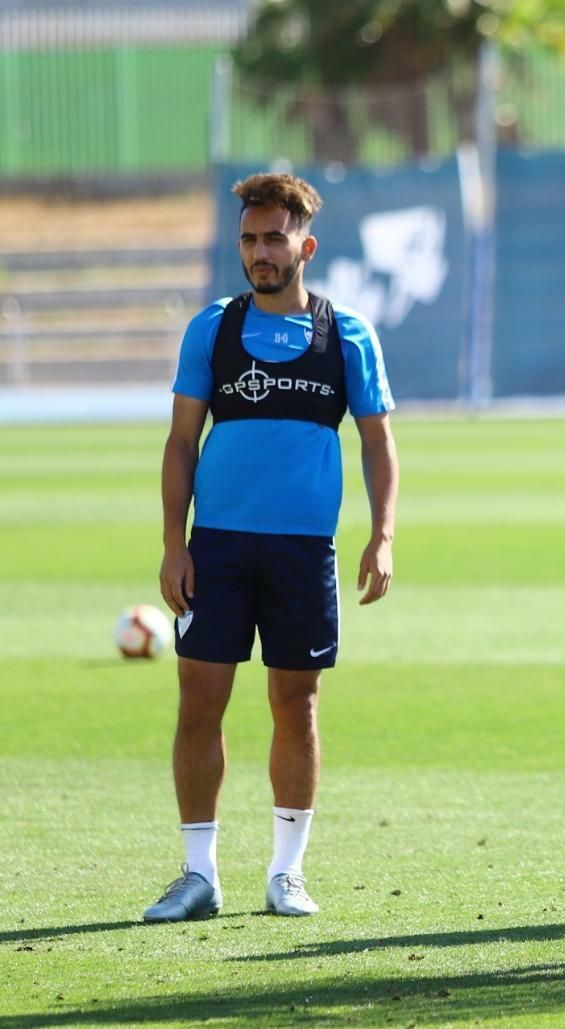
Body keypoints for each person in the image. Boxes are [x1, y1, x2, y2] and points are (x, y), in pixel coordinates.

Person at [144, 173, 397, 922]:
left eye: (273, 238)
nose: (259, 252)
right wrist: (172, 544)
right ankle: (198, 874)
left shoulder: (345, 334)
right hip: (215, 548)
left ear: (305, 246)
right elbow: (181, 442)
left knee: (297, 703)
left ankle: (287, 873)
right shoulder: (212, 330)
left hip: (302, 553)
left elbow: (379, 443)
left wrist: (382, 535)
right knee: (200, 703)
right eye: (249, 239)